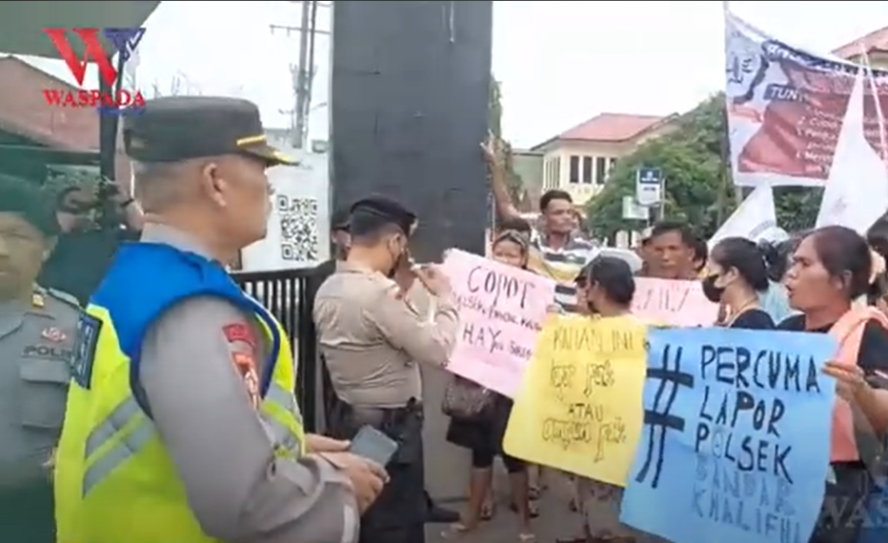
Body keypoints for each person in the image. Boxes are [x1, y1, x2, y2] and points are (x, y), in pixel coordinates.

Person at [53, 96, 387, 543]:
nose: (270, 190)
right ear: (216, 182)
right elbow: (252, 508)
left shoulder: (135, 280)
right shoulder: (192, 308)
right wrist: (339, 491)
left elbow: (168, 431)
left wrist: (291, 448)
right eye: (262, 170)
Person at [314, 195, 460, 543]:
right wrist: (446, 299)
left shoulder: (330, 286)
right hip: (392, 428)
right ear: (395, 242)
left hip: (350, 414)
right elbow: (438, 350)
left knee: (367, 511)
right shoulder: (378, 295)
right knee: (395, 521)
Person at [779, 225, 888, 543]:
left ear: (841, 280)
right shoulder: (784, 331)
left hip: (848, 495)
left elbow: (887, 412)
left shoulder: (869, 334)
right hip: (788, 487)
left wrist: (860, 391)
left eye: (804, 264)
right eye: (793, 263)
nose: (790, 275)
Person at [0, 174, 81, 543]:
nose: (1, 249)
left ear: (47, 246)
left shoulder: (75, 327)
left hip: (36, 517)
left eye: (16, 236)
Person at [442, 229, 536, 542]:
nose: (506, 260)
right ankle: (471, 516)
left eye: (513, 255)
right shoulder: (476, 288)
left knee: (514, 458)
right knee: (480, 454)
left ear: (524, 260)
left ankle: (525, 523)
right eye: (500, 253)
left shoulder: (535, 293)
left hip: (513, 387)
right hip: (478, 384)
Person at [566, 256, 640, 543]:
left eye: (587, 284)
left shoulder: (595, 333)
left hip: (605, 438)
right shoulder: (643, 329)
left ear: (596, 287)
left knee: (607, 517)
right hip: (612, 437)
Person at [484, 137, 598, 311]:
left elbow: (594, 294)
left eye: (569, 212)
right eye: (558, 213)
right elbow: (506, 205)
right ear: (544, 218)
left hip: (569, 330)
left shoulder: (588, 251)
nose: (566, 217)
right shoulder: (531, 246)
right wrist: (494, 166)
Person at [37, 177, 145, 304]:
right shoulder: (46, 239)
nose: (84, 213)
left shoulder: (107, 237)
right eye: (75, 204)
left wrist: (126, 202)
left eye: (89, 207)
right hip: (55, 308)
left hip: (96, 311)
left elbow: (143, 232)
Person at [703, 236, 776, 329]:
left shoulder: (754, 322)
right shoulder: (739, 317)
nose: (706, 278)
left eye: (710, 271)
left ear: (731, 274)